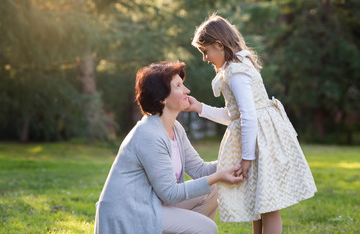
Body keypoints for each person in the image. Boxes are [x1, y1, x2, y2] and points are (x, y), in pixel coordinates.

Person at [188, 14, 317, 234]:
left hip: (260, 141)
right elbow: (233, 116)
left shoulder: (236, 72)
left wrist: (247, 158)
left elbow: (248, 116)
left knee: (269, 207)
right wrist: (200, 107)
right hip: (255, 139)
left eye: (205, 51)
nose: (205, 58)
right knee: (260, 203)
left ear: (219, 45)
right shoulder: (234, 68)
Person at [94, 61, 244, 234]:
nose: (187, 90)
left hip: (152, 204)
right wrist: (219, 175)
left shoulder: (175, 128)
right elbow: (170, 194)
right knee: (207, 227)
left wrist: (240, 162)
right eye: (179, 86)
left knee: (214, 188)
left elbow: (200, 170)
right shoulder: (149, 134)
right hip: (131, 212)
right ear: (162, 98)